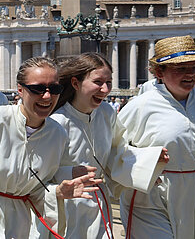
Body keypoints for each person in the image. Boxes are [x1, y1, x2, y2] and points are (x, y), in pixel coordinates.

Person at [0, 57, 103, 239]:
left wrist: (58, 191)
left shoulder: (58, 134)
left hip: (24, 224)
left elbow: (38, 188)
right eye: (38, 89)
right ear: (20, 89)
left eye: (54, 89)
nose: (47, 96)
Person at [117, 35, 195, 239]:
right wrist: (145, 163)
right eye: (180, 69)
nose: (190, 75)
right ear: (159, 72)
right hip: (151, 197)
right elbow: (114, 148)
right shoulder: (141, 106)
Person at [47, 53, 169, 239]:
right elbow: (38, 172)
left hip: (98, 203)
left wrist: (148, 164)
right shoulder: (56, 122)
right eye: (98, 82)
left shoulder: (106, 113)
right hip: (66, 205)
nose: (105, 90)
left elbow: (117, 153)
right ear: (75, 83)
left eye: (109, 83)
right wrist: (70, 173)